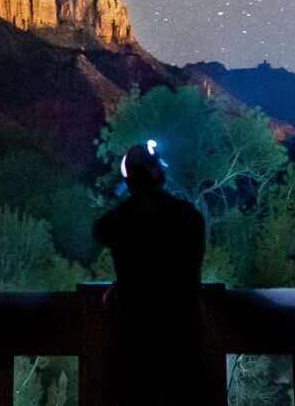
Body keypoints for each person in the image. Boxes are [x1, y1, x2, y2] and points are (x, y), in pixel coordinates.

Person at [92, 141, 221, 406]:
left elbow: (103, 229)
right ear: (159, 175)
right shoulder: (189, 219)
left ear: (129, 181)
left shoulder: (118, 223)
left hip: (133, 342)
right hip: (183, 337)